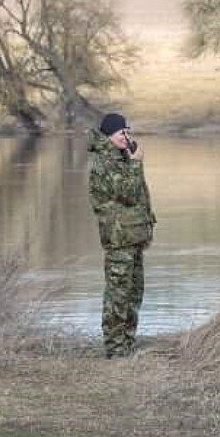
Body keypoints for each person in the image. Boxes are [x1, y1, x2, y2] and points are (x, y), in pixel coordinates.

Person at [88, 112, 156, 359]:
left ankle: (127, 343)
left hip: (133, 236)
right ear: (109, 135)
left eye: (128, 132)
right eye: (121, 133)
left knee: (134, 292)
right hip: (118, 239)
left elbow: (139, 196)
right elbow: (127, 192)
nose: (127, 137)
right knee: (118, 293)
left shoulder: (122, 157)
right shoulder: (105, 161)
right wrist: (136, 162)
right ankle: (115, 350)